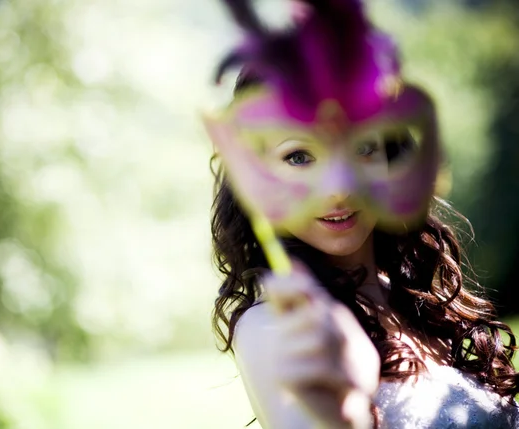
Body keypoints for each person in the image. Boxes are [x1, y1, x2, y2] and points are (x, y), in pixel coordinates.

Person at [206, 1, 519, 428]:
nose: (340, 185)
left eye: (362, 148)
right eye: (298, 156)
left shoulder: (416, 295)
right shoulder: (278, 326)